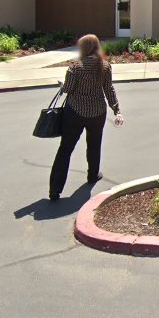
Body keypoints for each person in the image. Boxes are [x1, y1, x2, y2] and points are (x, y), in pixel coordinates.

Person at [49, 34, 124, 201]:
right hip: (97, 112)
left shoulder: (75, 67)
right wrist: (116, 110)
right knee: (94, 144)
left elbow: (67, 89)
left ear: (83, 48)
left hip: (74, 112)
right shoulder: (104, 66)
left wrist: (62, 85)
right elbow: (109, 90)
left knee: (65, 149)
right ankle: (92, 175)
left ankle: (55, 190)